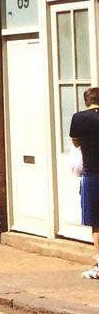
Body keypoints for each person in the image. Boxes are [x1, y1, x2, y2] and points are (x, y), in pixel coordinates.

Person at [68, 86, 99, 279]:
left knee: (96, 223)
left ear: (86, 100)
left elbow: (76, 142)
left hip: (93, 174)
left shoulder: (79, 118)